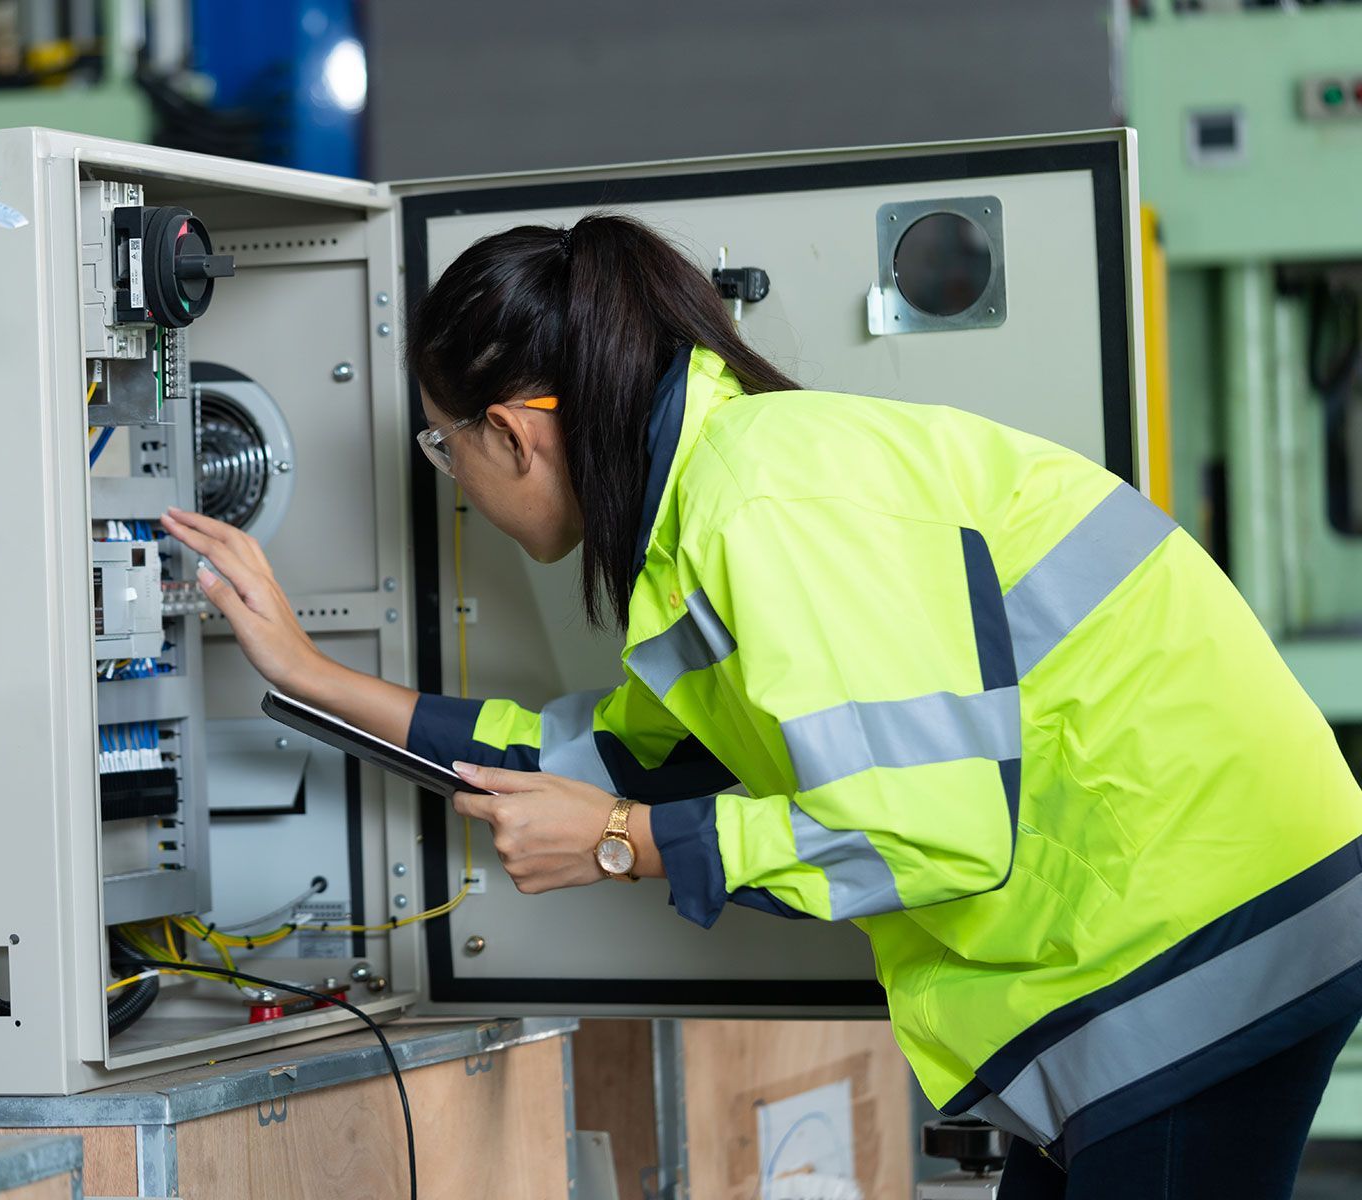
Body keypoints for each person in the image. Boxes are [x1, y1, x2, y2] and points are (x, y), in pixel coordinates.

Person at [159, 213, 1362, 1198]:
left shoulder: (761, 504)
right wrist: (310, 676)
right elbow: (610, 756)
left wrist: (624, 848)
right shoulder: (700, 518)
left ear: (517, 434)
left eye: (443, 448)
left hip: (1197, 927)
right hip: (1159, 924)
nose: (455, 485)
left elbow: (931, 824)